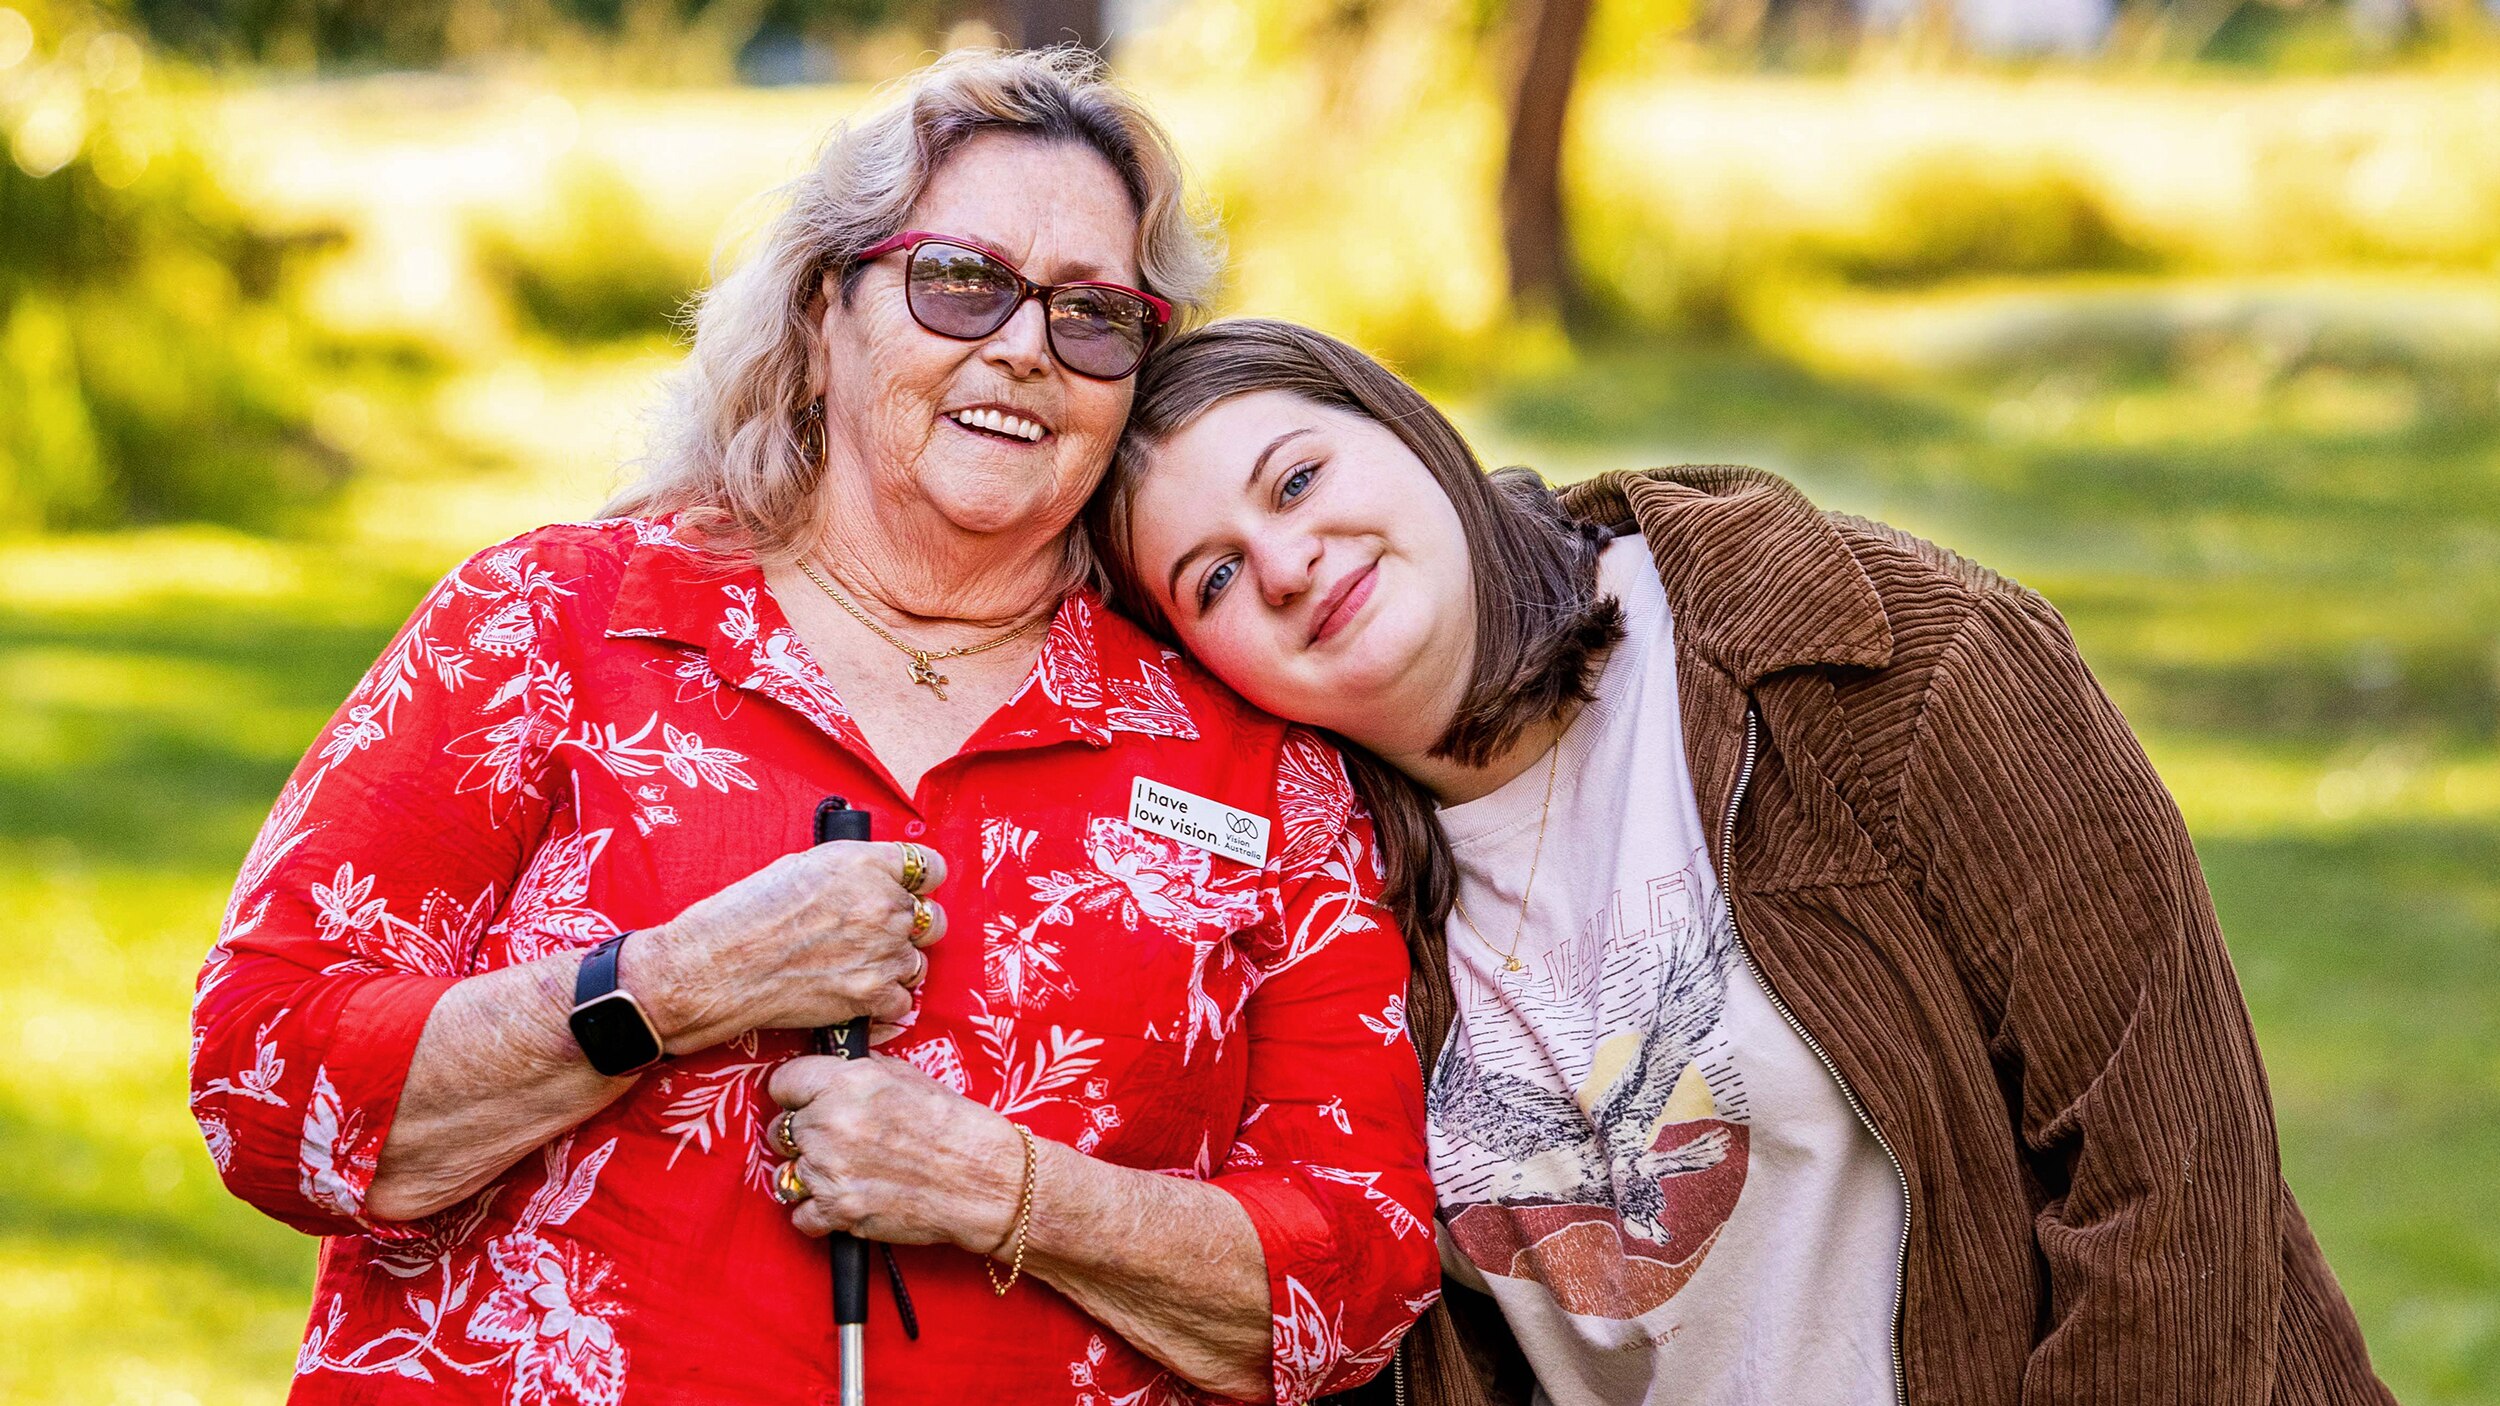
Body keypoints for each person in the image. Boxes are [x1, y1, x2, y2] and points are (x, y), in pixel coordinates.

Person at [190, 56, 1436, 1406]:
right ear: (823, 307)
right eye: (961, 280)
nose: (1024, 346)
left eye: (1094, 315)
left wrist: (1005, 1188)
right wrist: (676, 981)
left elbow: (1358, 1271)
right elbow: (268, 1076)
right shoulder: (551, 623)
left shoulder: (1249, 761)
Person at [1088, 318, 2396, 1406]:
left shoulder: (1897, 673)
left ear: (1408, 429)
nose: (1287, 562)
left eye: (1299, 478)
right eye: (1210, 579)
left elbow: (2169, 1182)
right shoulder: (1331, 913)